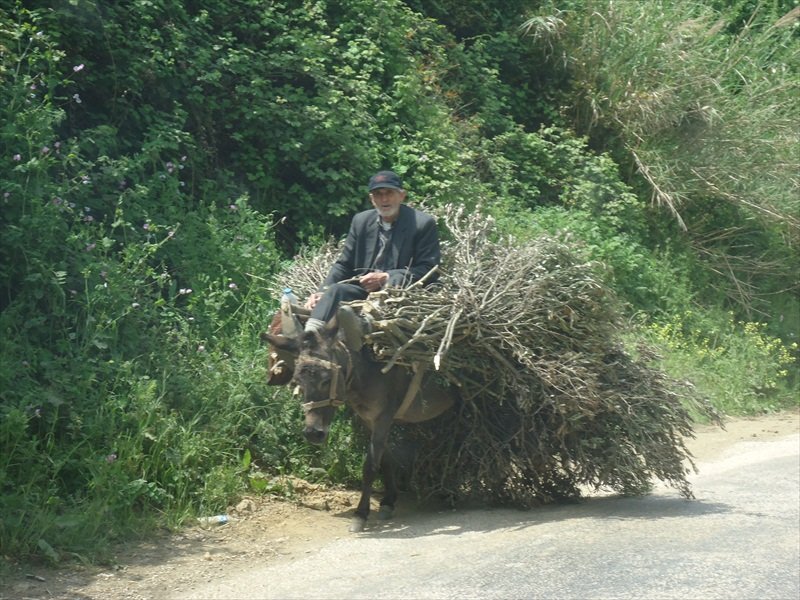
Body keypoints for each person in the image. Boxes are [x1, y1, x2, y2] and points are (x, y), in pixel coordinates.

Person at [303, 170, 440, 345]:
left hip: (401, 293)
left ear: (401, 196)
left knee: (391, 287)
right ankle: (308, 339)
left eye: (389, 193)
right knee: (335, 290)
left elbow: (429, 269)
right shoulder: (361, 221)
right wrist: (322, 292)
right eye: (378, 194)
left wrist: (386, 277)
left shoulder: (422, 224)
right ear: (371, 199)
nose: (384, 200)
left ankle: (363, 326)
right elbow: (344, 264)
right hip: (363, 288)